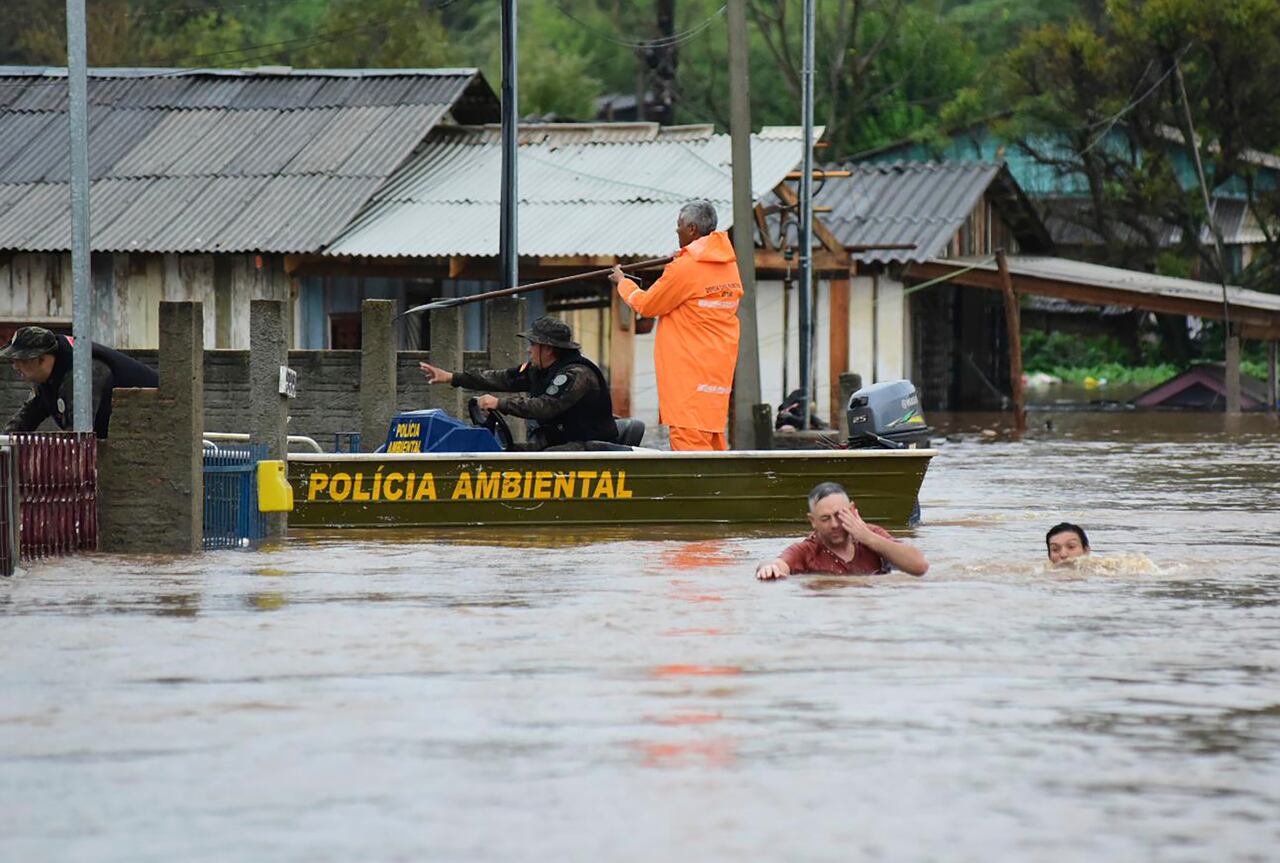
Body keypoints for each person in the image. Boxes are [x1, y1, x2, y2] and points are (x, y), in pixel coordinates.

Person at [608, 200, 743, 452]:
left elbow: (648, 305)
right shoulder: (728, 265)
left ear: (692, 229)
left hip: (688, 377)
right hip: (715, 377)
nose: (676, 231)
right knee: (713, 444)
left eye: (679, 226)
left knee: (690, 454)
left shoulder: (686, 267)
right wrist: (680, 259)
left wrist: (622, 282)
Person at [417, 315, 618, 451]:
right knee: (510, 453)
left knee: (536, 463)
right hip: (557, 441)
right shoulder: (540, 370)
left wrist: (499, 404)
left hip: (588, 447)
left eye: (533, 344)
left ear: (548, 348)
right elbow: (503, 378)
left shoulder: (576, 374)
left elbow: (544, 407)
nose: (529, 350)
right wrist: (452, 377)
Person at [2, 326, 159, 440]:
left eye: (21, 360)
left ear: (42, 359)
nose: (15, 366)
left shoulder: (82, 372)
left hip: (154, 432)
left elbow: (78, 437)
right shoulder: (48, 378)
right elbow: (26, 418)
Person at [756, 481, 929, 579]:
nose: (834, 524)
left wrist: (868, 538)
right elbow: (778, 563)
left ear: (853, 510)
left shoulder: (871, 535)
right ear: (812, 521)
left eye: (840, 515)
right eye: (825, 518)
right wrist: (768, 568)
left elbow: (920, 566)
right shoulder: (807, 551)